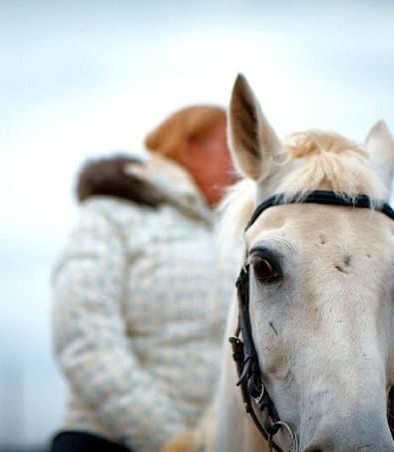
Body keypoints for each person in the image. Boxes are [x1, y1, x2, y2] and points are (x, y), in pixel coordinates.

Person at [50, 105, 236, 452]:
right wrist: (171, 440)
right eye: (230, 148)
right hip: (104, 443)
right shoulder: (109, 215)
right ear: (189, 148)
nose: (240, 167)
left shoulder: (237, 236)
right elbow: (83, 336)